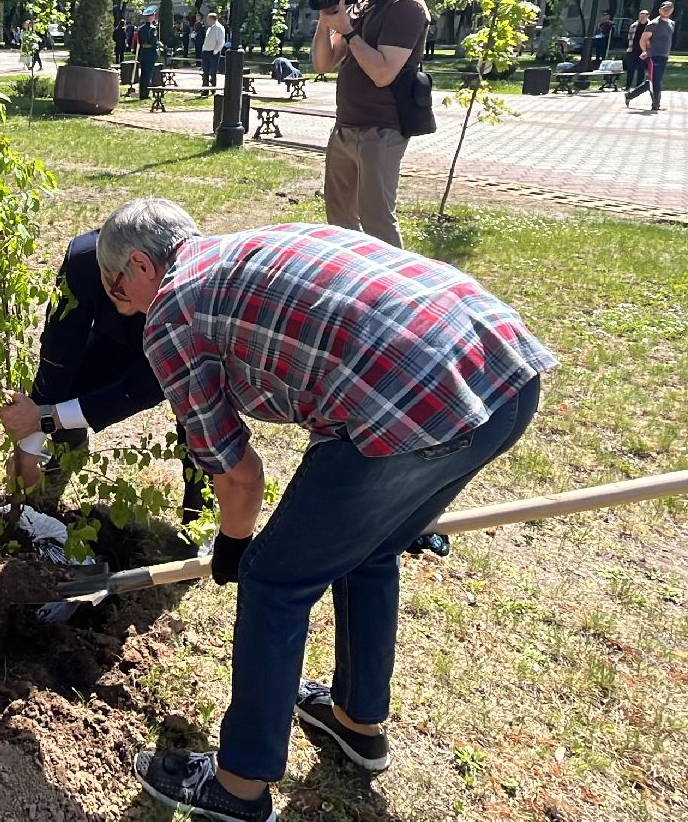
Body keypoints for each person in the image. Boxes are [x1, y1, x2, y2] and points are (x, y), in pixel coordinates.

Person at [99, 200, 556, 822]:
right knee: (368, 548)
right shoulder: (255, 244)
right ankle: (356, 721)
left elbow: (236, 472)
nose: (118, 300)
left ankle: (238, 784)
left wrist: (236, 548)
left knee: (274, 581)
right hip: (504, 369)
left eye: (116, 286)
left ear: (140, 264)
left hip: (414, 400)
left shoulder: (173, 310)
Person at [0, 230, 210, 526]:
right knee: (67, 388)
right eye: (109, 285)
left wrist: (46, 418)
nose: (113, 291)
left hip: (183, 355)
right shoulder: (84, 259)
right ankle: (48, 486)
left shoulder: (193, 291)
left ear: (145, 268)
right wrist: (31, 446)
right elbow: (61, 346)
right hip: (116, 339)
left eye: (118, 288)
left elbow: (143, 387)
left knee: (202, 431)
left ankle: (200, 527)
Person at [308, 0, 430, 248]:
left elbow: (383, 73)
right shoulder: (363, 4)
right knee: (340, 219)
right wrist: (326, 21)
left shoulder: (406, 6)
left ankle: (393, 290)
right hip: (345, 128)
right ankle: (353, 287)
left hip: (382, 131)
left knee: (377, 221)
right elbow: (323, 64)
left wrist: (347, 30)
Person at [625, 0, 675, 111]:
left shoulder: (671, 23)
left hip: (664, 56)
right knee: (655, 81)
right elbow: (643, 40)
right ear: (660, 10)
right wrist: (645, 51)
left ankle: (630, 95)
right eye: (664, 8)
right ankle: (656, 104)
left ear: (672, 10)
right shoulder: (653, 24)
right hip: (654, 56)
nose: (666, 11)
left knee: (652, 81)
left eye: (669, 9)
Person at [135, 6, 161, 101]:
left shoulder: (140, 29)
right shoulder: (152, 29)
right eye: (153, 15)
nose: (154, 16)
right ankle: (145, 93)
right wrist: (159, 45)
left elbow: (140, 42)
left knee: (143, 74)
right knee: (148, 74)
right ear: (150, 17)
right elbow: (154, 43)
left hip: (143, 53)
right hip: (150, 54)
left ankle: (142, 92)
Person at [622, 9, 650, 91]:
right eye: (640, 16)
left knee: (641, 69)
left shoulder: (650, 26)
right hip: (633, 50)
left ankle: (639, 86)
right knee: (630, 68)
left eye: (644, 16)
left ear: (647, 16)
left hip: (644, 50)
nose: (642, 18)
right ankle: (628, 85)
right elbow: (629, 38)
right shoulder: (634, 26)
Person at [201, 11, 226, 89]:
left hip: (213, 53)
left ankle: (213, 88)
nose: (207, 21)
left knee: (213, 72)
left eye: (208, 19)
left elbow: (221, 41)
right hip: (206, 52)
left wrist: (215, 51)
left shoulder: (219, 28)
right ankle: (205, 88)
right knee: (205, 72)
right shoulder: (209, 28)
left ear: (212, 19)